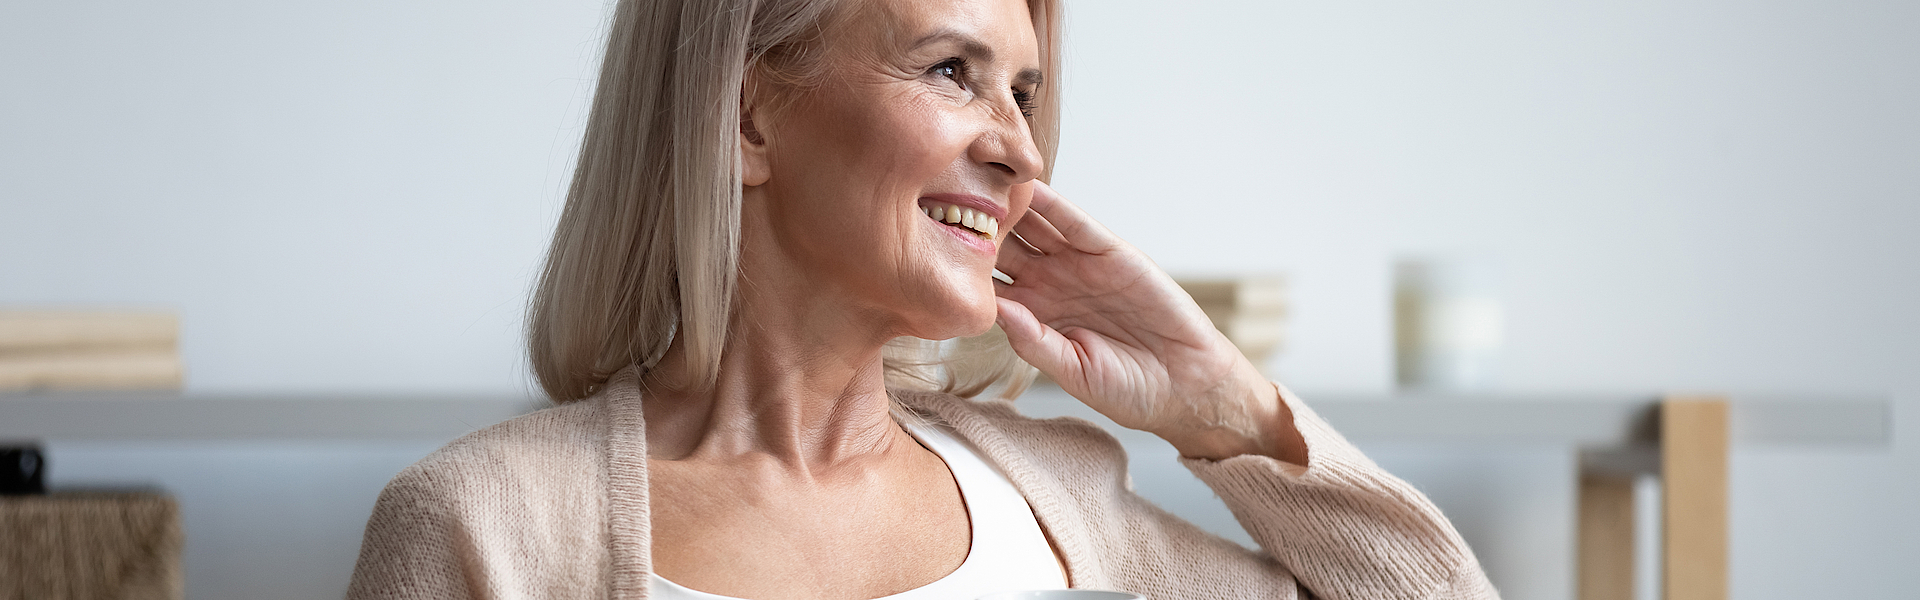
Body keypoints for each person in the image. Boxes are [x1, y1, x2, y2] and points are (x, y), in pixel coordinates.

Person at [348, 0, 1500, 598]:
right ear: (751, 116)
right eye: (953, 71)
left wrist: (1226, 409)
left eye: (1028, 92)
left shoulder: (1062, 502)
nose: (1023, 153)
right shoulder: (479, 529)